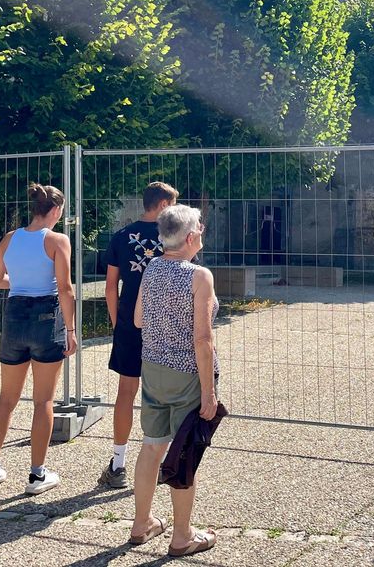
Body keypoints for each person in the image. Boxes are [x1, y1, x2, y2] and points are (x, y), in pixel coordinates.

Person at [127, 204, 219, 557]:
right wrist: (208, 391)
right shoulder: (200, 276)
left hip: (153, 368)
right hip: (186, 374)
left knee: (152, 445)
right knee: (185, 452)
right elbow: (203, 339)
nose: (202, 232)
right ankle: (182, 536)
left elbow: (137, 319)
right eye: (200, 227)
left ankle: (141, 523)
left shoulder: (152, 267)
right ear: (191, 236)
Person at [0, 183, 77, 495]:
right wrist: (71, 330)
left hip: (15, 316)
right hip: (46, 320)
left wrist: (19, 280)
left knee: (6, 399)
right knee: (43, 400)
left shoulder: (10, 238)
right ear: (56, 210)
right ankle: (37, 475)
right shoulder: (57, 241)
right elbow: (65, 288)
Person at [98, 182, 179, 488]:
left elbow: (110, 287)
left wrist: (118, 322)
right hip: (166, 325)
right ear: (161, 205)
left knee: (126, 392)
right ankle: (161, 464)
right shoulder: (173, 237)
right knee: (163, 395)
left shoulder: (120, 236)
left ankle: (118, 464)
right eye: (171, 205)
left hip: (130, 323)